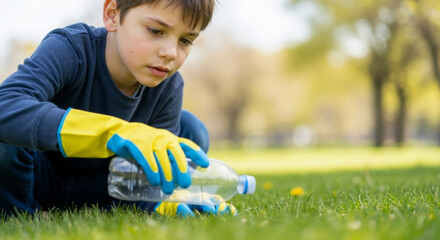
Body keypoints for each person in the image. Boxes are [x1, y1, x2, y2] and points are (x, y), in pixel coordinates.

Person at [0, 0, 236, 217]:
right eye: (156, 31)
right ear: (112, 15)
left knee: (191, 130)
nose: (171, 53)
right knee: (9, 131)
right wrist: (112, 132)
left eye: (185, 40)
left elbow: (150, 174)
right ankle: (23, 212)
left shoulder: (169, 87)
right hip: (38, 178)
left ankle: (119, 207)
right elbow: (6, 105)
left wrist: (164, 200)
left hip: (105, 187)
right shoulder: (71, 48)